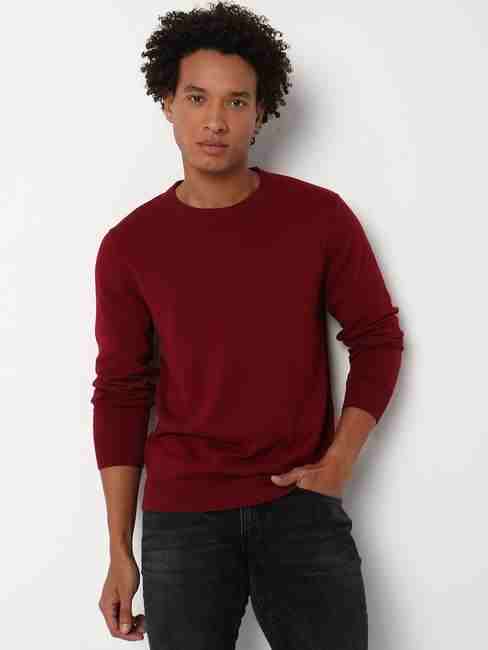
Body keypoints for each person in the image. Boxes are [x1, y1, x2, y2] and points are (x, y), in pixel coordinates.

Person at [91, 2, 405, 647]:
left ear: (260, 111)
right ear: (167, 103)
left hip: (299, 507)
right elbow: (121, 392)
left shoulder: (319, 218)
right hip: (183, 520)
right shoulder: (130, 246)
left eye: (236, 102)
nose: (215, 120)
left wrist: (339, 462)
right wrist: (119, 550)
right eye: (197, 97)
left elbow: (377, 339)